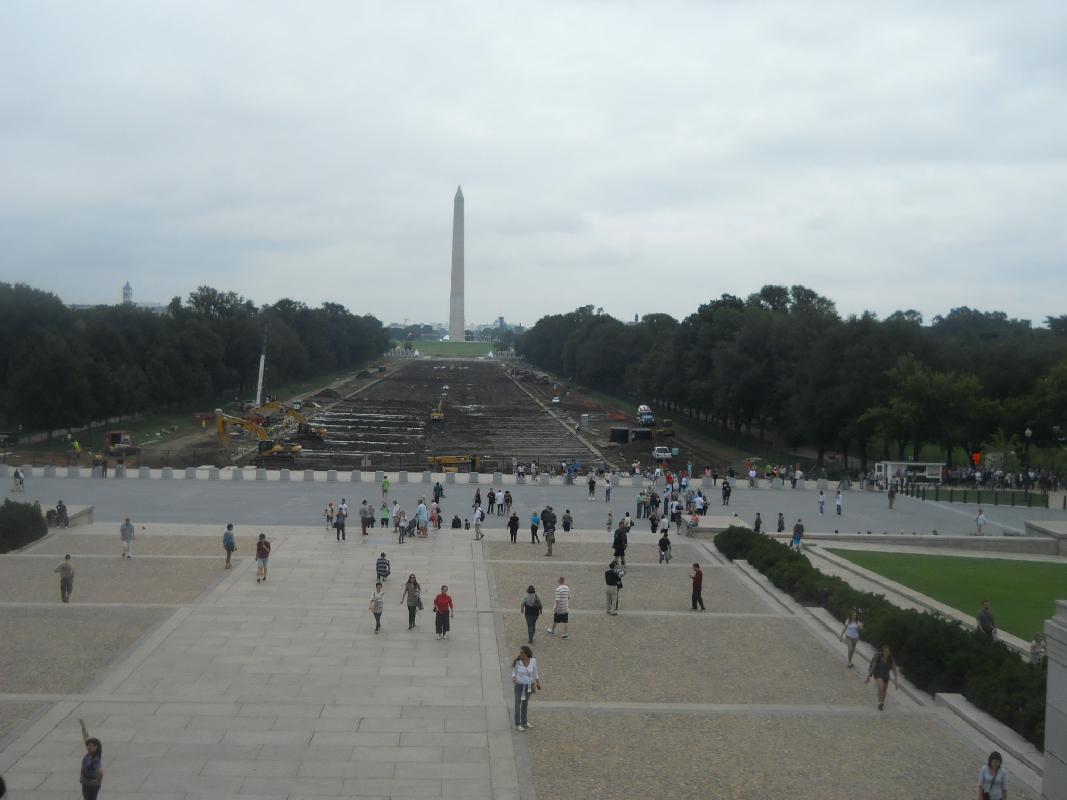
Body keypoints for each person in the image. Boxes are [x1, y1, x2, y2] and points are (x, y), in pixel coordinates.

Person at [511, 645, 541, 731]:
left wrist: (538, 683)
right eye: (520, 653)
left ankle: (524, 722)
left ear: (526, 653)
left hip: (528, 686)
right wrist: (514, 677)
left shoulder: (533, 661)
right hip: (519, 686)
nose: (520, 654)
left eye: (522, 653)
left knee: (525, 704)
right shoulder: (518, 662)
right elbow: (514, 672)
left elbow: (535, 673)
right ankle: (518, 724)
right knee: (517, 705)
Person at [865, 644, 898, 710]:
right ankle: (879, 703)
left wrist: (895, 681)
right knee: (881, 687)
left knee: (884, 690)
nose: (887, 653)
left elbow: (894, 670)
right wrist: (868, 677)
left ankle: (882, 702)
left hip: (886, 675)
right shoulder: (878, 657)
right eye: (885, 651)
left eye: (888, 651)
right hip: (877, 674)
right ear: (883, 651)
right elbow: (873, 667)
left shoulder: (890, 659)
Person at [78, 719, 103, 800]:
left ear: (96, 747)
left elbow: (100, 771)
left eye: (90, 746)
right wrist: (83, 727)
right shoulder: (90, 754)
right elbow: (86, 737)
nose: (88, 747)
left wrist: (97, 780)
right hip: (86, 783)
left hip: (91, 786)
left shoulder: (95, 759)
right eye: (88, 745)